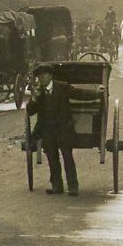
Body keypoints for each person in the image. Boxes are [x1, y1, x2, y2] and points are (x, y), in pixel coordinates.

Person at [27, 67, 79, 196]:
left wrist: (97, 92)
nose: (42, 78)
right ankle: (57, 185)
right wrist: (34, 98)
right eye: (39, 76)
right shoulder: (39, 92)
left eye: (44, 75)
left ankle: (73, 186)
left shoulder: (62, 87)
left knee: (67, 157)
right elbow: (30, 111)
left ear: (50, 76)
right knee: (52, 158)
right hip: (47, 130)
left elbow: (79, 93)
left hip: (63, 129)